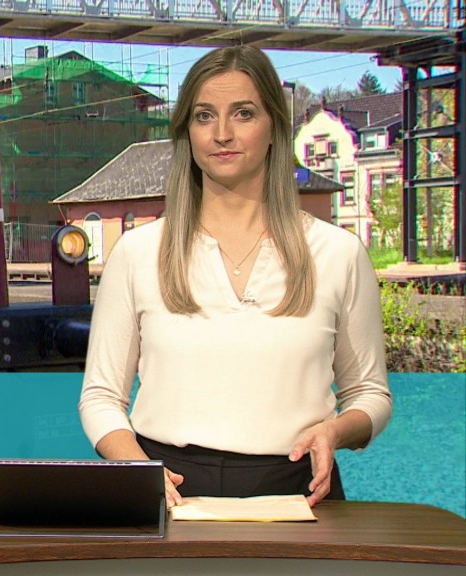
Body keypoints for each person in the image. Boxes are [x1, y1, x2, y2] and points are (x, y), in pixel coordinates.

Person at [78, 45, 391, 509]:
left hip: (301, 497)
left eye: (243, 113)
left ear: (275, 128)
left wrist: (335, 431)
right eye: (204, 116)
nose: (222, 133)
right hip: (168, 494)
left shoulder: (338, 253)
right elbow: (101, 397)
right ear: (187, 132)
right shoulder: (138, 253)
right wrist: (137, 468)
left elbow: (369, 394)